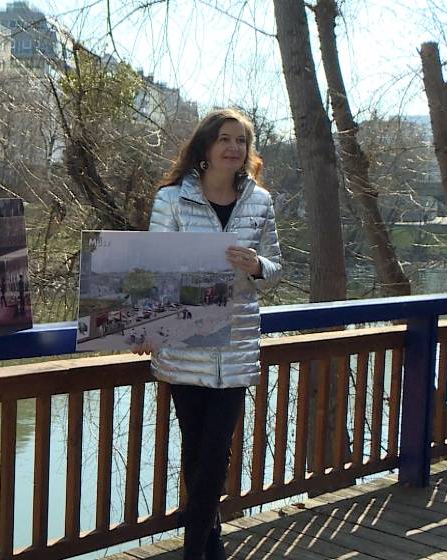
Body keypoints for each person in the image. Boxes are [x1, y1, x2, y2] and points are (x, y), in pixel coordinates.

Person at [135, 108, 281, 560]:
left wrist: (256, 265)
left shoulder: (260, 202)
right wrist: (143, 324)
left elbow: (276, 266)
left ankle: (194, 554)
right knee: (198, 453)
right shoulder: (172, 199)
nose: (233, 148)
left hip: (236, 347)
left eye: (241, 140)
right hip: (185, 346)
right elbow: (153, 268)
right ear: (205, 146)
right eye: (224, 139)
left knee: (215, 456)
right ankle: (209, 546)